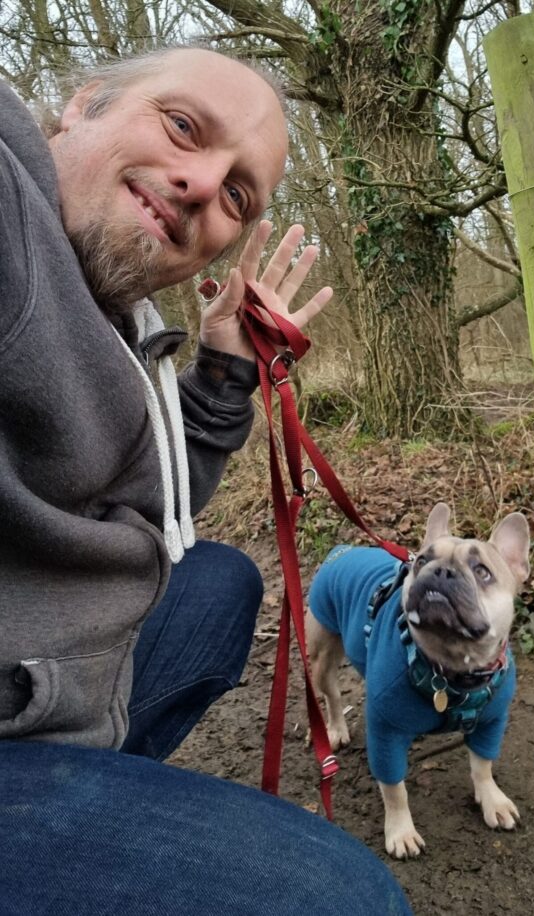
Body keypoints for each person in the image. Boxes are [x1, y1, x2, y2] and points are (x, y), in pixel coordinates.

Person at [0, 46, 412, 914]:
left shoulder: (125, 317)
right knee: (346, 899)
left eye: (238, 196)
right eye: (183, 126)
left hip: (63, 684)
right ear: (83, 103)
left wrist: (225, 369)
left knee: (221, 578)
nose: (200, 186)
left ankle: (101, 807)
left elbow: (154, 496)